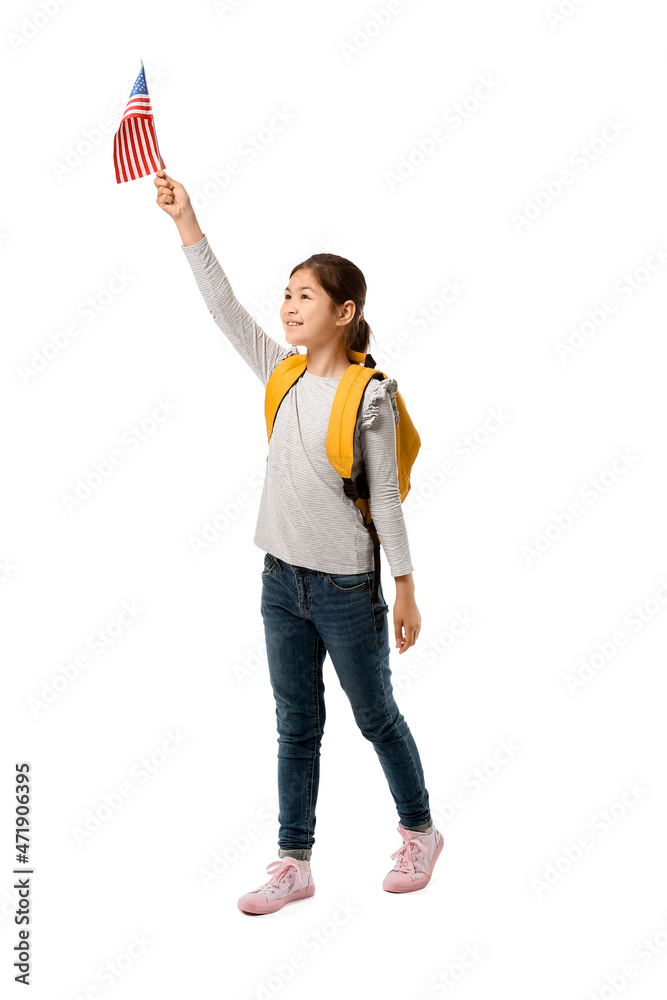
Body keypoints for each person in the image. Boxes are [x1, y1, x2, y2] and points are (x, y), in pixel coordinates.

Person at [154, 170, 443, 915]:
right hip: (280, 580)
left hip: (346, 588)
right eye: (285, 293)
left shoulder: (369, 394)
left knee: (375, 715)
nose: (287, 305)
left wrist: (403, 586)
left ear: (345, 313)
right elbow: (221, 306)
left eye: (304, 295)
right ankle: (294, 860)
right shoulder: (277, 372)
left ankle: (420, 832)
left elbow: (383, 497)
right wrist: (188, 219)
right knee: (295, 724)